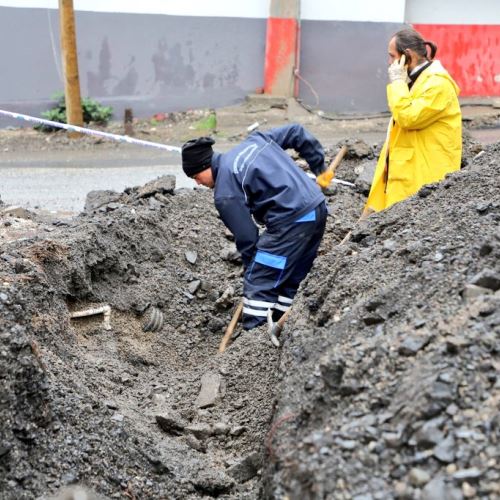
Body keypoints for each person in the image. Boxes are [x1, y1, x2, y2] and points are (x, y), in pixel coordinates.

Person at [181, 124, 331, 330]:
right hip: (317, 209)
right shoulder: (256, 140)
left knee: (259, 282)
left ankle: (254, 344)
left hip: (291, 221)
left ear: (205, 166)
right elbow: (296, 132)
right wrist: (319, 167)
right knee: (291, 277)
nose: (198, 183)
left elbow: (247, 237)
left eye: (196, 177)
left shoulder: (225, 191)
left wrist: (253, 269)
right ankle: (282, 325)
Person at [365, 28, 462, 213]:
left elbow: (408, 118)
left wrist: (398, 84)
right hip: (409, 174)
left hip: (425, 180)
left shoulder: (437, 84)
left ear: (407, 56)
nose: (390, 63)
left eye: (392, 56)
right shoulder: (417, 81)